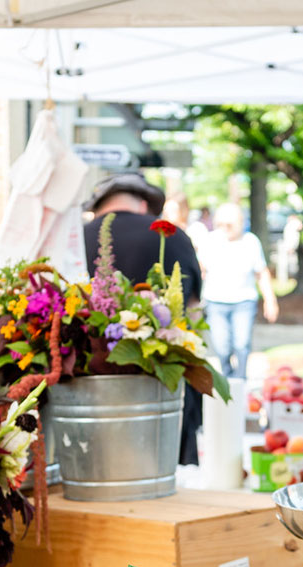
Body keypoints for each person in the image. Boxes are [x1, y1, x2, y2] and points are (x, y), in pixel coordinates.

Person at [82, 171, 206, 464]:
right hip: (164, 379)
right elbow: (194, 309)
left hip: (91, 387)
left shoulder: (78, 236)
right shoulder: (173, 236)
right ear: (143, 205)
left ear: (99, 206)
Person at [197, 204, 280, 382]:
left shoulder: (250, 241)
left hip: (244, 302)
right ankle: (228, 378)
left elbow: (261, 272)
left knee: (242, 345)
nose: (226, 228)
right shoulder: (211, 241)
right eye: (223, 224)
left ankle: (240, 381)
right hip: (215, 302)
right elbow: (200, 270)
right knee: (221, 346)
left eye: (231, 224)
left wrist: (270, 300)